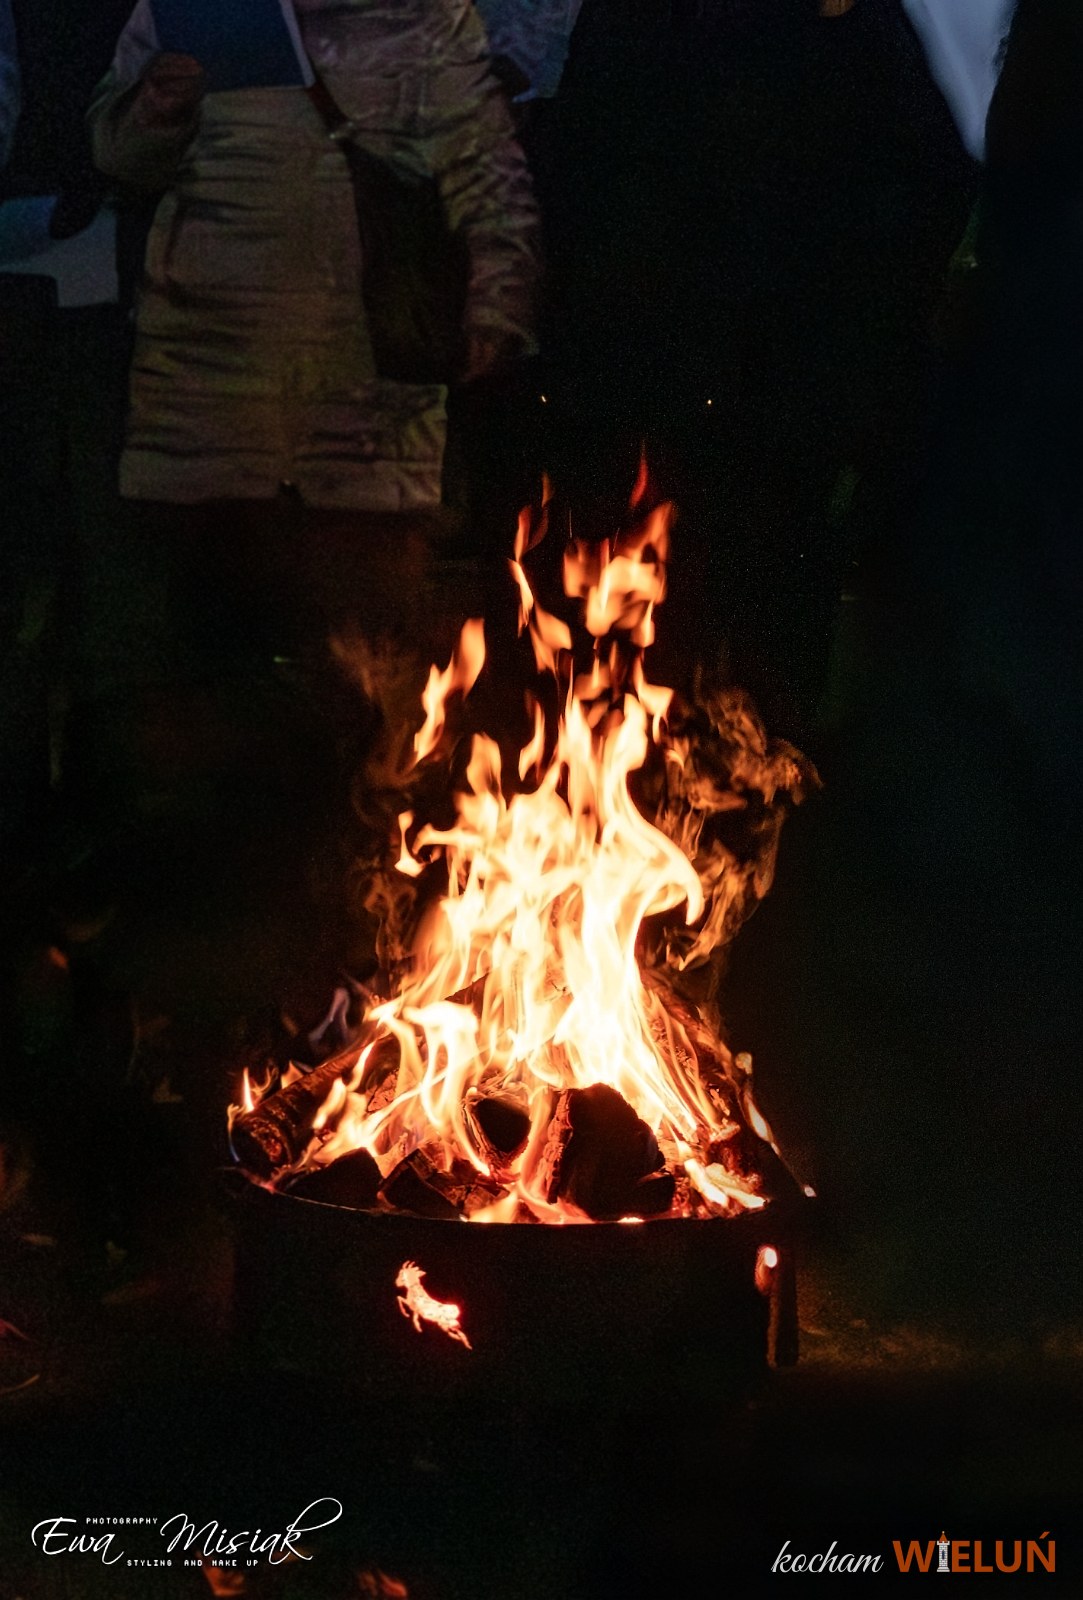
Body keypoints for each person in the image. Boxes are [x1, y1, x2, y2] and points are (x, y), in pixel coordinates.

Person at [88, 0, 540, 687]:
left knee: (364, 653)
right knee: (210, 664)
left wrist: (497, 304)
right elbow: (115, 155)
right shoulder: (183, 11)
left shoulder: (423, 15)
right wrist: (158, 106)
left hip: (362, 381)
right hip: (207, 380)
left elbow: (484, 166)